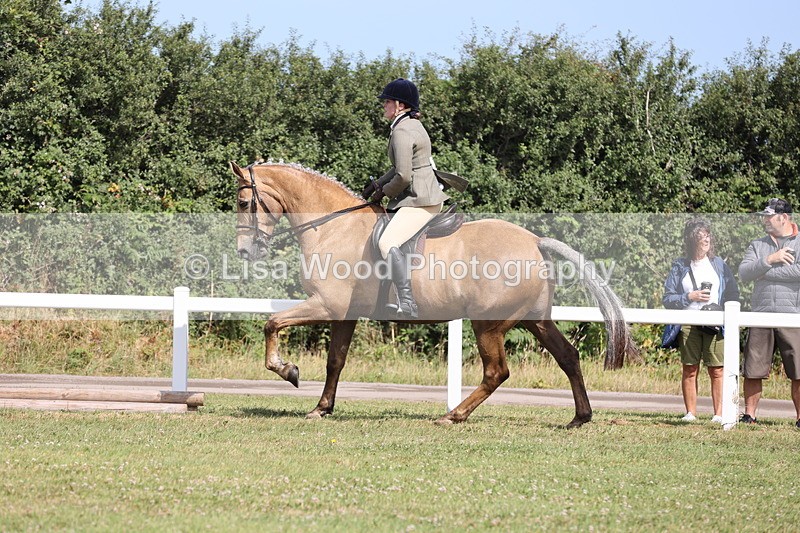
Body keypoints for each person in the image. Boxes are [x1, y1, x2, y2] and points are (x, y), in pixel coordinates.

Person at [361, 78, 449, 319]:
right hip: (422, 195)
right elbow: (400, 167)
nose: (384, 106)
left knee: (386, 241)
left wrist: (383, 192)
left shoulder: (401, 130)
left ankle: (407, 301)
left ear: (399, 105)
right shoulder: (412, 125)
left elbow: (403, 176)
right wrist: (377, 183)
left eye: (387, 102)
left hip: (421, 200)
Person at [663, 218, 740, 423]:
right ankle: (690, 413)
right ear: (691, 239)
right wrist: (689, 297)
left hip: (715, 322)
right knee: (690, 368)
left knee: (717, 369)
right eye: (701, 235)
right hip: (688, 322)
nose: (706, 239)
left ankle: (719, 414)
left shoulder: (719, 265)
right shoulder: (680, 266)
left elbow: (733, 293)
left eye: (708, 235)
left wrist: (722, 311)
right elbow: (667, 298)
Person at [738, 198, 800, 428]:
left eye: (769, 216)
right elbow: (744, 272)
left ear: (783, 218)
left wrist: (765, 273)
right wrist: (769, 260)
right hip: (760, 314)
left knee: (798, 370)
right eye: (764, 216)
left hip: (793, 315)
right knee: (753, 369)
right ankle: (749, 416)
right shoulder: (757, 245)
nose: (764, 220)